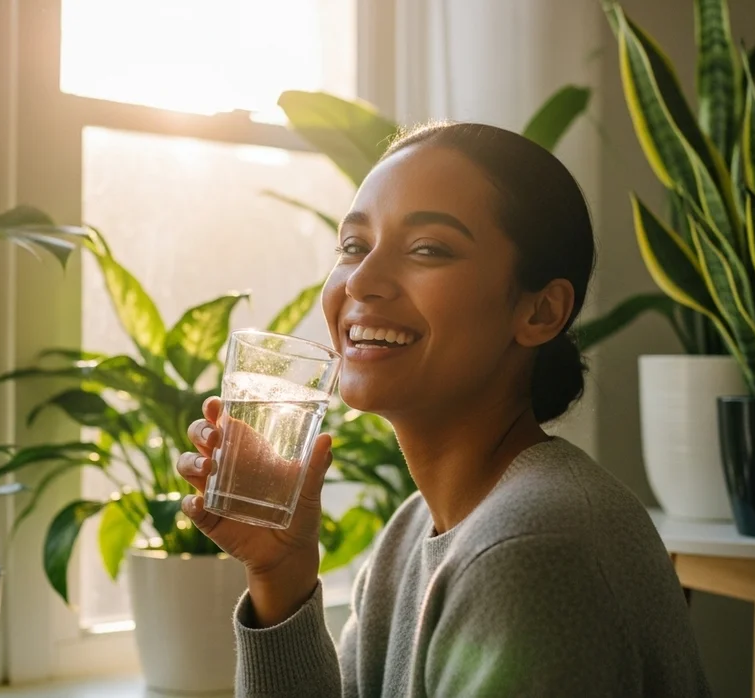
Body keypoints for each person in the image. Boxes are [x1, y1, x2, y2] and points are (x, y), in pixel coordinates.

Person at [176, 122, 711, 697]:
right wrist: (280, 577)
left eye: (428, 249)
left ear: (540, 312)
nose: (363, 280)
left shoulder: (527, 551)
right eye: (354, 246)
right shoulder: (412, 532)